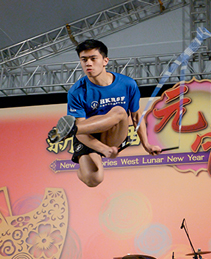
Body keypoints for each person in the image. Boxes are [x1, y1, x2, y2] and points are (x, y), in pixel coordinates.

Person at [48, 39, 161, 187]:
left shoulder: (127, 84)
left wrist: (146, 144)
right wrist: (105, 150)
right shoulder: (77, 92)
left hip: (113, 131)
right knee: (94, 179)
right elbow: (83, 131)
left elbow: (136, 116)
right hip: (88, 134)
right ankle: (74, 138)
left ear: (105, 61)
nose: (88, 63)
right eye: (84, 60)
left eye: (93, 59)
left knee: (120, 111)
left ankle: (70, 130)